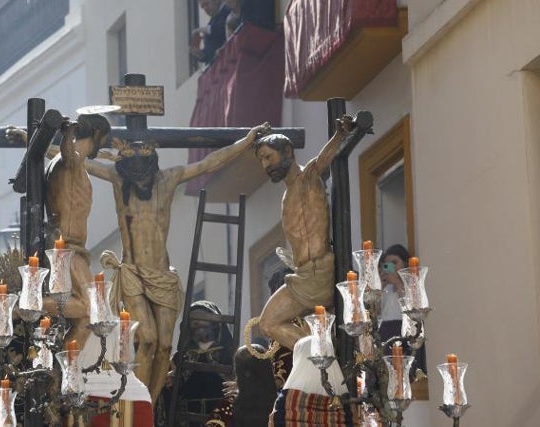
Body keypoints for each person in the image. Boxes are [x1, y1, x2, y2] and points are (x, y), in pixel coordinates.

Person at [93, 122, 270, 402]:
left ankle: (148, 407)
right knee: (147, 338)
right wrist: (42, 139)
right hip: (133, 273)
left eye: (143, 176)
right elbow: (79, 160)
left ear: (151, 167)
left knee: (164, 346)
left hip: (163, 275)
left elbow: (210, 163)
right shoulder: (118, 179)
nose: (140, 182)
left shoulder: (168, 179)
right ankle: (136, 404)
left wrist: (248, 141)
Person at [7, 114, 112, 349]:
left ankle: (66, 370)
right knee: (91, 307)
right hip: (66, 247)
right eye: (104, 139)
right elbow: (67, 153)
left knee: (86, 318)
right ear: (96, 135)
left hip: (68, 246)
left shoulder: (67, 163)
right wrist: (68, 134)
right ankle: (27, 305)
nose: (104, 145)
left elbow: (62, 153)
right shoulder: (71, 161)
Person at [255, 116, 354, 352]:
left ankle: (320, 354)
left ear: (288, 151)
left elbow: (323, 160)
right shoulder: (287, 194)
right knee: (271, 324)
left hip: (316, 275)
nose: (265, 165)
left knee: (268, 323)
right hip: (304, 275)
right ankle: (321, 353)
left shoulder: (307, 178)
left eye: (269, 157)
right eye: (261, 160)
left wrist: (341, 135)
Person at [162, 300, 235, 426]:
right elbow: (169, 392)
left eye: (204, 319)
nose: (198, 324)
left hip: (221, 414)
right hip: (187, 418)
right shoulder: (179, 358)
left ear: (215, 324)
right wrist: (170, 382)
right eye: (194, 322)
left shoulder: (230, 355)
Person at [378, 244, 427, 374]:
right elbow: (377, 313)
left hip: (403, 332)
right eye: (387, 264)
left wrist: (398, 283)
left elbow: (411, 309)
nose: (391, 267)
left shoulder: (412, 286)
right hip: (386, 334)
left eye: (395, 262)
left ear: (405, 263)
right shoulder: (387, 289)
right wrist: (380, 286)